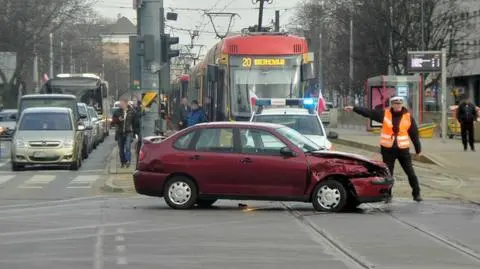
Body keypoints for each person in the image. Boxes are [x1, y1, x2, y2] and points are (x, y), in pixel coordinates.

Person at [344, 96, 423, 202]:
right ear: (392, 105)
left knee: (410, 173)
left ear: (402, 104)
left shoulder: (408, 117)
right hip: (388, 150)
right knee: (388, 174)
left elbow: (414, 135)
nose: (397, 106)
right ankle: (387, 195)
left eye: (399, 104)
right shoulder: (385, 114)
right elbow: (369, 112)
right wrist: (354, 108)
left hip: (403, 150)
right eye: (395, 104)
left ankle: (416, 194)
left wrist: (418, 150)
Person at [112, 98, 137, 168]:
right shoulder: (117, 112)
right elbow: (113, 122)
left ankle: (128, 161)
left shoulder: (132, 111)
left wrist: (135, 133)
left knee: (128, 148)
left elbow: (135, 122)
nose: (120, 104)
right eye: (120, 103)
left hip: (128, 132)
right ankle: (123, 162)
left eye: (121, 103)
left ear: (126, 103)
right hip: (120, 133)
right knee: (121, 149)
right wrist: (118, 120)